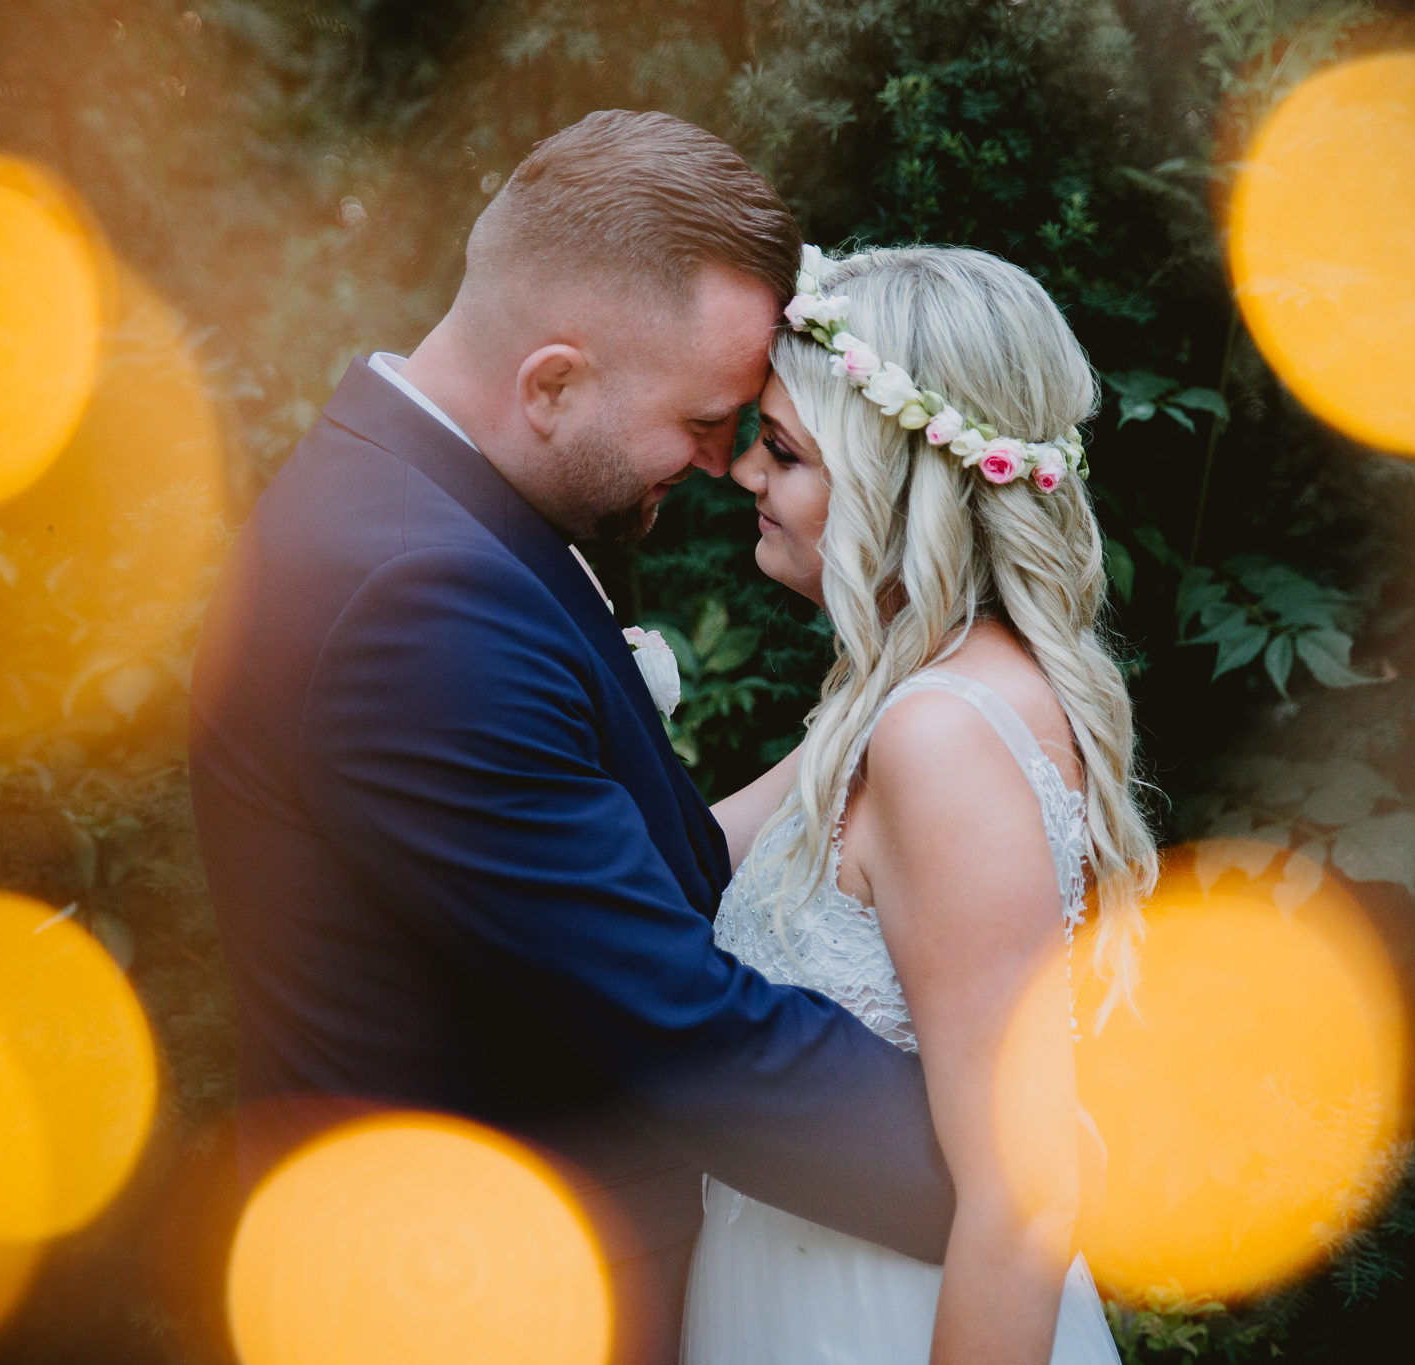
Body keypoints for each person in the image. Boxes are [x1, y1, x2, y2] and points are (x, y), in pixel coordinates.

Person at [187, 112, 955, 1365]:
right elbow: (673, 1029)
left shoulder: (426, 511)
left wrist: (878, 714)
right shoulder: (416, 601)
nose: (720, 465)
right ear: (550, 384)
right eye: (702, 422)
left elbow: (640, 866)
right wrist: (1001, 1167)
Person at [682, 245, 1159, 1365]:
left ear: (897, 478)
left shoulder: (939, 736)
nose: (745, 474)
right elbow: (677, 861)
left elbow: (1024, 1191)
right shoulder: (891, 699)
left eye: (784, 451)